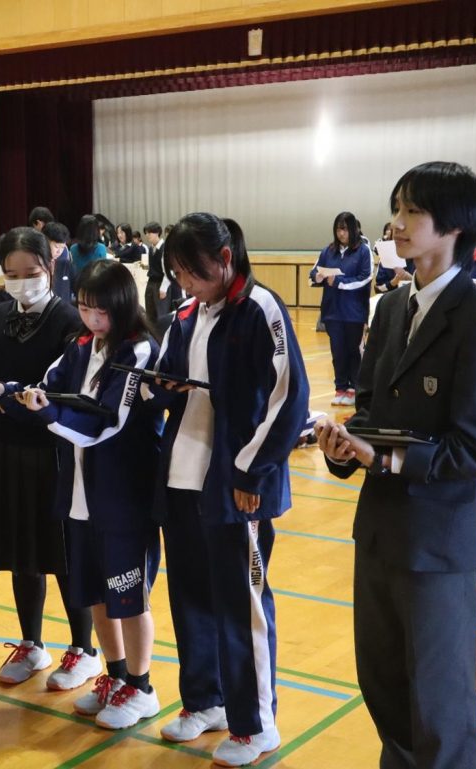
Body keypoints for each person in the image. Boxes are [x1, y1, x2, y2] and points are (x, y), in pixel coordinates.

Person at [316, 161, 476, 769]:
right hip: (379, 532)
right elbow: (370, 410)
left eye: (413, 211)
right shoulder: (390, 309)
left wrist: (385, 457)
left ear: (455, 226)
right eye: (396, 209)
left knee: (440, 704)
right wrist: (344, 446)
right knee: (382, 685)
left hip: (438, 543)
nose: (398, 223)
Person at [141, 213, 308, 767]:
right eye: (178, 274)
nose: (185, 284)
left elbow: (289, 398)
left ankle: (256, 724)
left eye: (194, 272)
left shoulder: (261, 309)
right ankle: (205, 701)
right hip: (181, 480)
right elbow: (166, 383)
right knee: (190, 599)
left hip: (237, 488)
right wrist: (160, 388)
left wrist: (250, 475)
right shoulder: (186, 315)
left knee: (242, 607)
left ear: (225, 260)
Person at [15, 260, 162, 728]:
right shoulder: (81, 346)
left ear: (121, 306)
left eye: (100, 311)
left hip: (123, 497)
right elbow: (50, 387)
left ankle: (141, 686)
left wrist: (49, 415)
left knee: (129, 597)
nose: (91, 319)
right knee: (96, 593)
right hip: (79, 494)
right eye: (83, 307)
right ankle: (115, 677)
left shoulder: (139, 350)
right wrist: (13, 393)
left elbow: (109, 423)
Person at [0, 227, 94, 690]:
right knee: (22, 554)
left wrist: (12, 394)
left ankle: (84, 649)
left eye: (29, 272)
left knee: (64, 554)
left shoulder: (70, 319)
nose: (20, 282)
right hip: (7, 449)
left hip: (54, 452)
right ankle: (32, 644)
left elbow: (67, 390)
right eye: (10, 275)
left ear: (48, 268)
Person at [309, 212, 372, 406]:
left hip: (354, 312)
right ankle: (340, 387)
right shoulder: (328, 251)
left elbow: (365, 278)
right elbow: (313, 272)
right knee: (337, 352)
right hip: (332, 311)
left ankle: (354, 388)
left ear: (353, 229)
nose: (341, 233)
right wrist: (317, 277)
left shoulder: (363, 251)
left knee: (353, 351)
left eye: (344, 229)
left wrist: (339, 282)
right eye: (338, 229)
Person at [373, 223, 414, 294]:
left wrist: (410, 278)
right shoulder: (385, 257)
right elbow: (378, 289)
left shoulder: (418, 258)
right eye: (396, 234)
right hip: (390, 297)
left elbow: (426, 287)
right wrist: (394, 282)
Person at [44, 222, 76, 304]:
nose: (59, 251)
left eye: (62, 247)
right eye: (56, 247)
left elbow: (78, 289)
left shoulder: (66, 265)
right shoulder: (36, 266)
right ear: (44, 242)